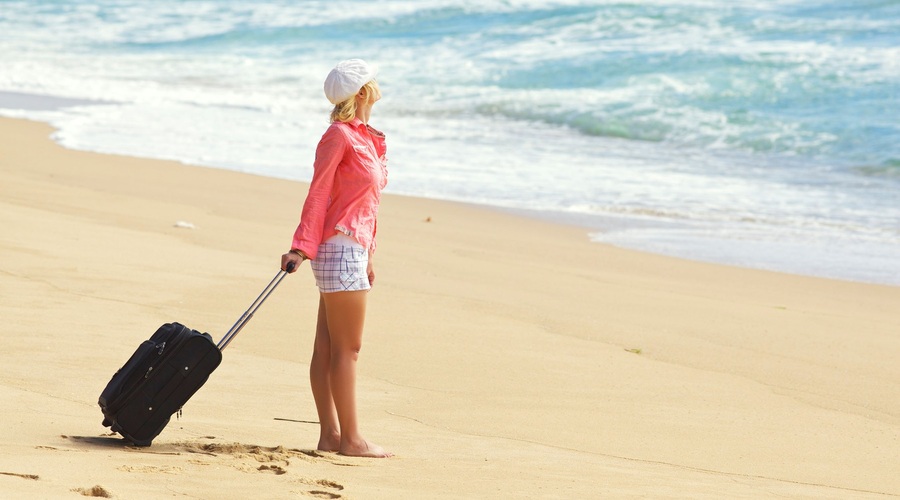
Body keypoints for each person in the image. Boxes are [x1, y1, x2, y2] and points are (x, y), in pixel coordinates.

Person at [281, 59, 391, 458]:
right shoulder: (339, 137)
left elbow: (364, 205)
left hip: (351, 250)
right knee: (348, 349)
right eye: (373, 82)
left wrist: (369, 255)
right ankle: (352, 440)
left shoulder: (367, 139)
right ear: (363, 93)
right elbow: (318, 193)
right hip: (339, 250)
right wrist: (300, 245)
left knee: (328, 347)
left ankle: (330, 436)